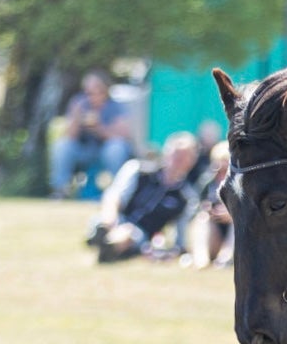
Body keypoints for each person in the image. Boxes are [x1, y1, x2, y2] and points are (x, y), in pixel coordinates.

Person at [85, 132, 200, 263]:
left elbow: (181, 236)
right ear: (166, 152)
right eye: (176, 154)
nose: (178, 160)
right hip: (116, 218)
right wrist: (110, 221)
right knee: (106, 219)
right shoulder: (138, 169)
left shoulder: (186, 196)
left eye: (184, 157)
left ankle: (108, 245)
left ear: (192, 161)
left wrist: (173, 249)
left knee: (129, 233)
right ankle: (105, 236)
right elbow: (115, 196)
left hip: (141, 235)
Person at [51, 70, 136, 198]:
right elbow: (69, 136)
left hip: (106, 152)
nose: (91, 96)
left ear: (105, 90)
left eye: (95, 91)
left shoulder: (116, 107)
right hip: (84, 151)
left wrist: (99, 128)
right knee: (62, 146)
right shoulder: (79, 103)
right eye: (87, 92)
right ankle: (60, 190)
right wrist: (76, 117)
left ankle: (119, 192)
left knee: (116, 147)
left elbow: (124, 136)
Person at [184, 140, 234, 268]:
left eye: (225, 164)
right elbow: (193, 209)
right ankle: (201, 259)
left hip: (234, 234)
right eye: (218, 164)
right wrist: (206, 210)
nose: (221, 168)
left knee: (237, 223)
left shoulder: (240, 184)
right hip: (214, 233)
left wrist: (232, 215)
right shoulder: (207, 183)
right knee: (202, 219)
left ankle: (226, 257)